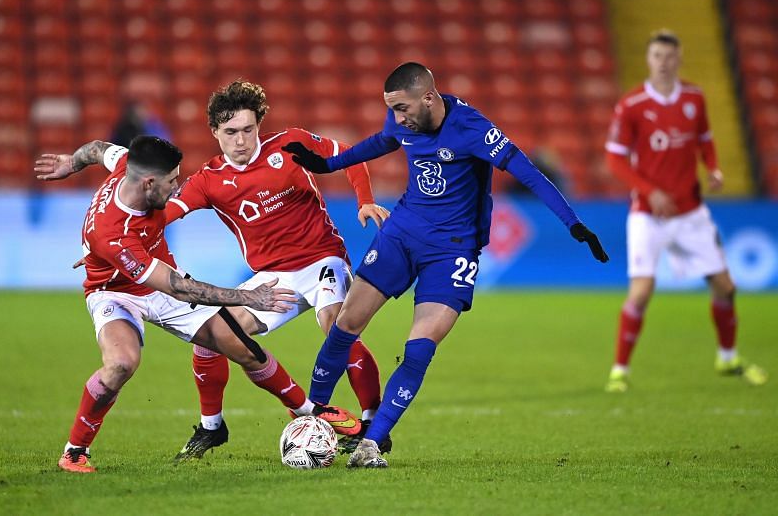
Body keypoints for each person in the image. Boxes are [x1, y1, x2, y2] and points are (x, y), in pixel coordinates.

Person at [36, 80, 392, 461]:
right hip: (272, 276)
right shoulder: (209, 181)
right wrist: (109, 250)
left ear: (259, 125)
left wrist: (365, 201)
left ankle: (373, 423)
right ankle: (211, 427)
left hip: (323, 259)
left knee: (336, 327)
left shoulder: (291, 144)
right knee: (213, 339)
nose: (241, 140)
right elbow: (161, 215)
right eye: (231, 132)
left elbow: (351, 157)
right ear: (215, 133)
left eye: (248, 130)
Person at [282, 62, 609, 468]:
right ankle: (314, 420)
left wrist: (574, 224)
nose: (398, 117)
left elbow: (530, 173)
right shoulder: (402, 117)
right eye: (393, 109)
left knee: (419, 348)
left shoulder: (472, 128)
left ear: (429, 98)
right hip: (402, 232)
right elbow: (384, 140)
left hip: (452, 250)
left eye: (402, 108)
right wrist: (325, 165)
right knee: (347, 322)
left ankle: (372, 443)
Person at [603, 30, 768, 392]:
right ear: (649, 59)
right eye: (658, 56)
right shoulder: (631, 105)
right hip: (648, 213)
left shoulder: (694, 98)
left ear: (679, 59)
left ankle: (728, 359)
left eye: (670, 56)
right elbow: (614, 158)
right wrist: (649, 190)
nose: (664, 62)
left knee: (725, 286)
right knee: (641, 292)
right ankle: (620, 370)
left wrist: (715, 169)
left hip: (691, 211)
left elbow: (705, 140)